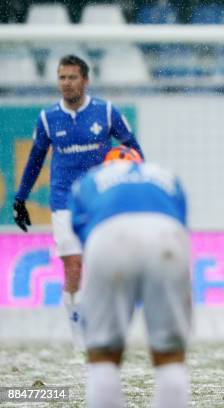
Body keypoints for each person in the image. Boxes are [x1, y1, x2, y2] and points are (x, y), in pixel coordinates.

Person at [12, 55, 144, 350]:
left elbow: (133, 150)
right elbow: (35, 159)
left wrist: (136, 181)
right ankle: (79, 335)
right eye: (61, 77)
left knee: (104, 265)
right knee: (73, 265)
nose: (66, 83)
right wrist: (21, 197)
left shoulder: (107, 112)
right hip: (64, 201)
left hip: (102, 199)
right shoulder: (48, 118)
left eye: (72, 77)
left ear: (85, 80)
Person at [68, 146, 191, 408]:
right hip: (166, 236)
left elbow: (81, 227)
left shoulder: (90, 178)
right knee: (170, 355)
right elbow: (180, 218)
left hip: (109, 235)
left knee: (103, 356)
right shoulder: (164, 175)